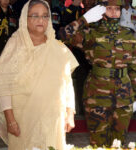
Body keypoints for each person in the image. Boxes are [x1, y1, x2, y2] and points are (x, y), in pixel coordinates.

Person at [0, 0, 78, 150]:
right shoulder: (15, 45)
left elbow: (67, 83)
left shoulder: (58, 48)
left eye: (45, 16)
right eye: (34, 16)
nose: (40, 20)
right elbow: (4, 86)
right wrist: (10, 120)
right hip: (23, 120)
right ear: (24, 18)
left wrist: (70, 113)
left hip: (53, 119)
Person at [58, 0, 136, 147]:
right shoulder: (90, 33)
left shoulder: (129, 35)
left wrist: (135, 95)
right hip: (97, 96)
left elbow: (133, 67)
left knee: (119, 144)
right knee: (98, 144)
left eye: (117, 9)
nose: (114, 12)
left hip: (124, 97)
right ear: (101, 10)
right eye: (109, 8)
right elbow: (63, 35)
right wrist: (84, 19)